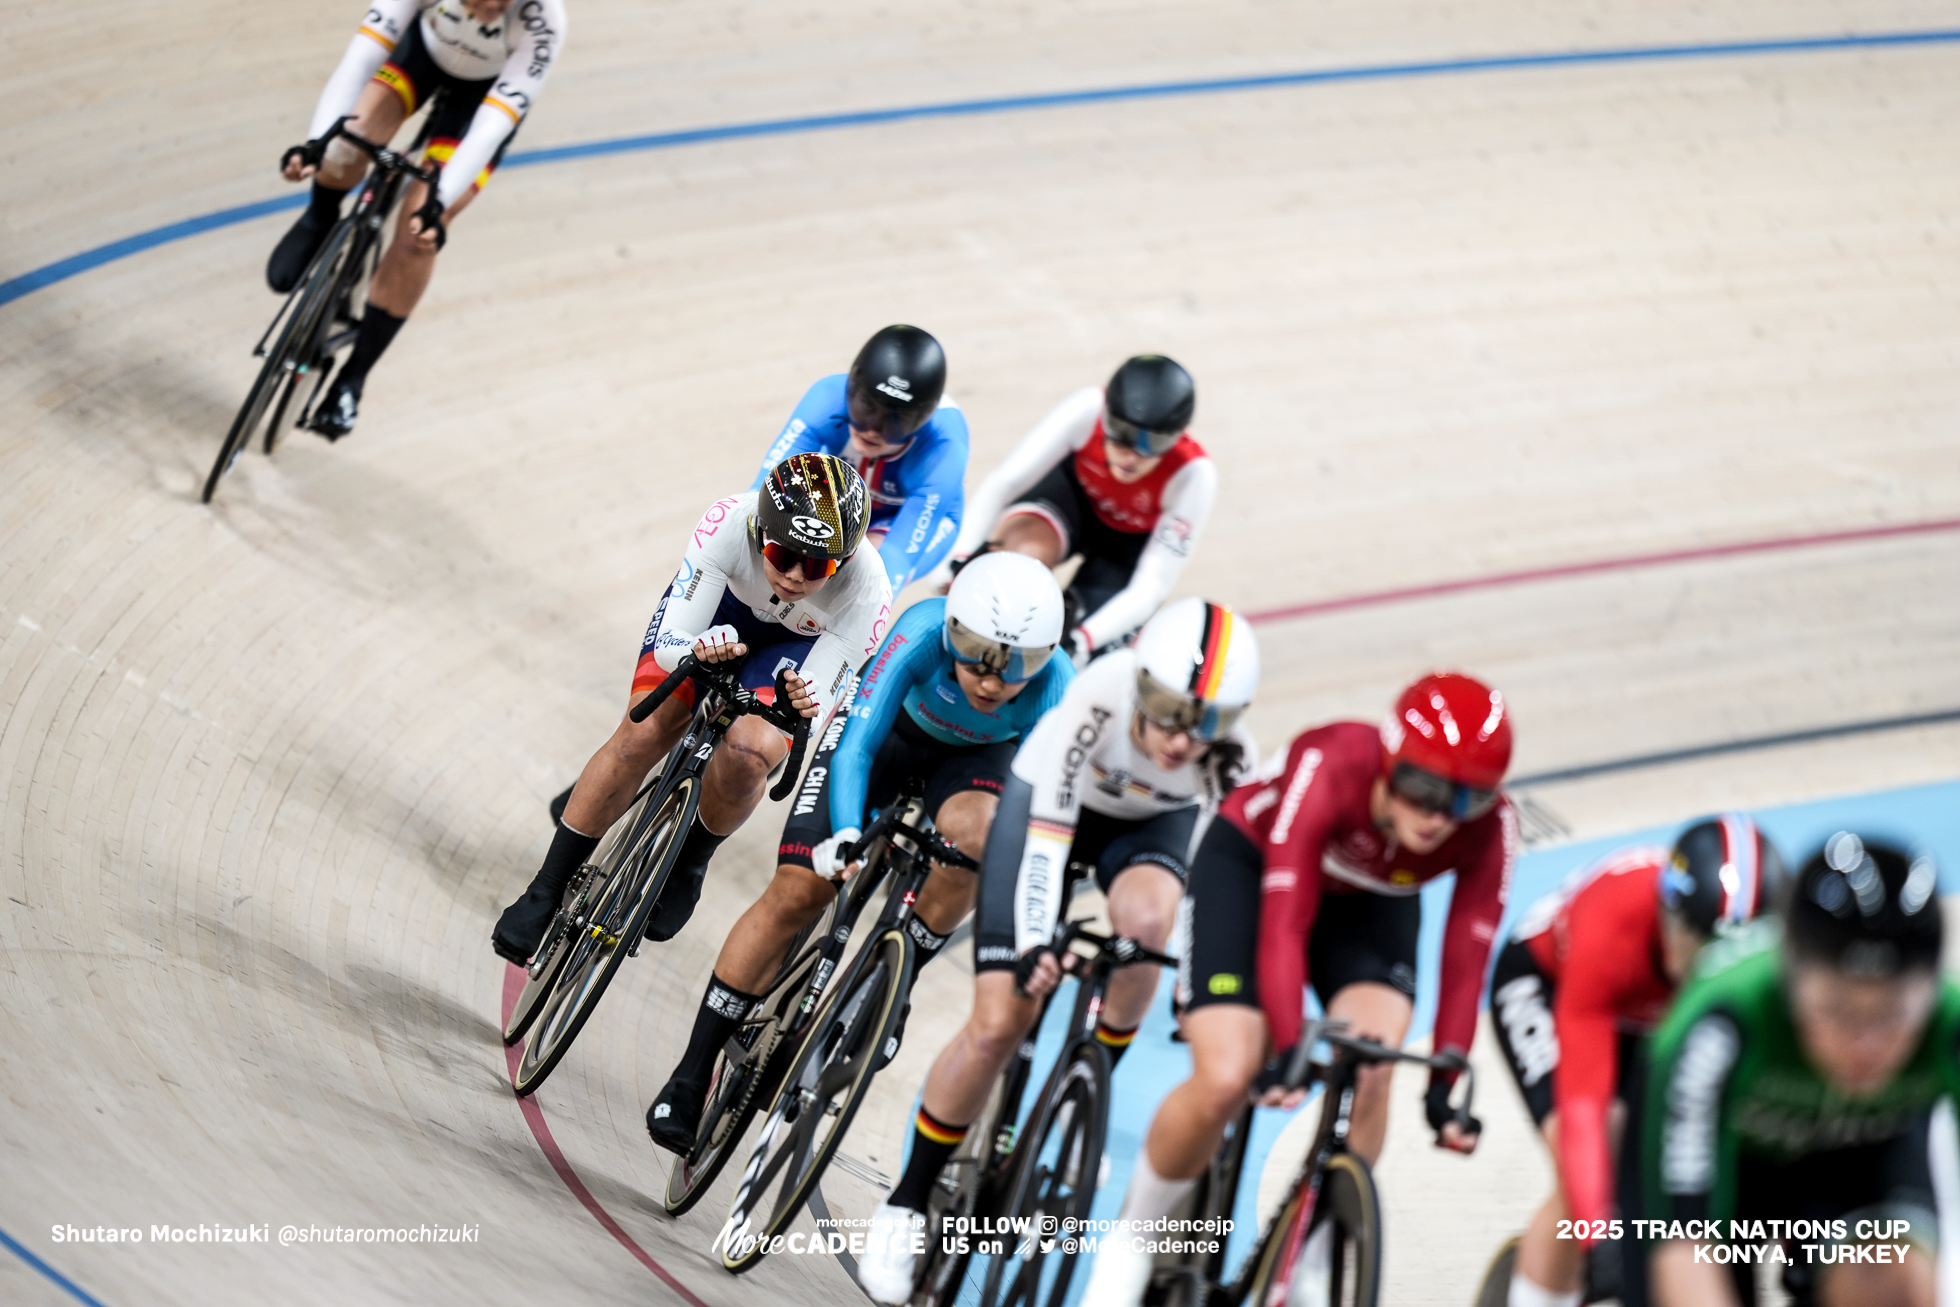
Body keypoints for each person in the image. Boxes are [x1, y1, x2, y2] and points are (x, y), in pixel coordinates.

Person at [856, 597, 1260, 1304]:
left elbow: (1210, 885)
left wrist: (1195, 987)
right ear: (1140, 686)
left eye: (1205, 721)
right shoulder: (1097, 699)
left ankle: (1090, 1080)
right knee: (999, 1019)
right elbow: (1044, 844)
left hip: (1148, 830)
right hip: (1049, 808)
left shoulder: (1229, 759)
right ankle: (906, 1204)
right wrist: (1036, 944)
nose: (1180, 738)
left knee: (1150, 924)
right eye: (1166, 709)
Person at [1078, 671, 1517, 1307]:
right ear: (1389, 765)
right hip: (1254, 870)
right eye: (1422, 789)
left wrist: (1445, 1086)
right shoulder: (1329, 762)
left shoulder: (1493, 828)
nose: (1436, 817)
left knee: (1373, 1063)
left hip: (1369, 904)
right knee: (1230, 1071)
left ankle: (1315, 1255)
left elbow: (1466, 958)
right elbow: (1285, 922)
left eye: (1464, 801)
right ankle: (1131, 1243)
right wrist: (1287, 1042)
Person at [643, 550, 1074, 1151]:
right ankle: (691, 1075)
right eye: (976, 658)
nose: (993, 680)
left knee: (979, 842)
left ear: (1047, 657)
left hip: (977, 766)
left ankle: (897, 981)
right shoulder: (921, 634)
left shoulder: (1058, 690)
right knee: (799, 891)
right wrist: (845, 833)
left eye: (1016, 666)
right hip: (884, 739)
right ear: (953, 634)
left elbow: (1043, 815)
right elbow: (857, 749)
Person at [490, 452, 890, 964]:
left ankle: (691, 860)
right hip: (715, 616)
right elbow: (672, 642)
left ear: (845, 560)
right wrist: (696, 654)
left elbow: (813, 699)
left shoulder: (868, 590)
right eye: (780, 554)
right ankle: (544, 890)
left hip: (794, 653)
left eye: (815, 567)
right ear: (759, 529)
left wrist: (796, 703)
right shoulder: (728, 522)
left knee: (749, 751)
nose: (792, 576)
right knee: (642, 734)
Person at [1643, 832, 1956, 1307]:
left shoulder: (1950, 1026)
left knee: (1891, 1284)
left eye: (1893, 1013)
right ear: (1791, 982)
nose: (1865, 1045)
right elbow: (1684, 1250)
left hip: (1860, 1151)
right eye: (1838, 1009)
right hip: (1731, 1162)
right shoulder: (1720, 1023)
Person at [1487, 816, 1784, 1307]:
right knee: (1592, 1154)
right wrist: (1598, 1239)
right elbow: (1582, 1108)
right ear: (1665, 908)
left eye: (1718, 953)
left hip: (1654, 1018)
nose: (1692, 958)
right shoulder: (1611, 925)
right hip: (1549, 983)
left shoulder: (1772, 969)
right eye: (1684, 931)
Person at [267, 0, 566, 439]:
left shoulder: (544, 22)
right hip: (421, 55)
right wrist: (316, 142)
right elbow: (361, 59)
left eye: (503, 0)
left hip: (483, 97)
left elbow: (490, 127)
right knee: (349, 140)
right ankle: (320, 216)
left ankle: (354, 377)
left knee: (417, 235)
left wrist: (435, 204)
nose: (490, 8)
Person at [927, 355, 1215, 661]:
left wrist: (1082, 640)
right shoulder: (1088, 408)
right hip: (1072, 501)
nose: (1131, 456)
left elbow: (1152, 586)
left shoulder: (1194, 475)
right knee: (1015, 565)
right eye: (1121, 435)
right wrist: (960, 556)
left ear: (1177, 437)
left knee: (1071, 656)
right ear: (1106, 414)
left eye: (1153, 443)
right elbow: (1005, 482)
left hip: (1126, 551)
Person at [752, 325, 968, 596]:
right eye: (866, 407)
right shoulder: (826, 399)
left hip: (903, 517)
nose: (872, 430)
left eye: (896, 421)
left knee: (861, 581)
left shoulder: (943, 449)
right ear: (851, 389)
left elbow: (894, 562)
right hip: (837, 503)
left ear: (922, 420)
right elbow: (759, 496)